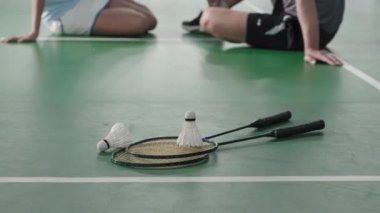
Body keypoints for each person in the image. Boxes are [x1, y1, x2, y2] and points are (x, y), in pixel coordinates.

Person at [182, 0, 344, 66]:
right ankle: (221, 5)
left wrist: (312, 47)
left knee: (209, 19)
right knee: (215, 9)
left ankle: (219, 13)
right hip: (319, 22)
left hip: (300, 28)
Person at [1, 0, 157, 43]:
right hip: (66, 15)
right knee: (140, 22)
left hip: (84, 2)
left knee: (151, 20)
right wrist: (33, 32)